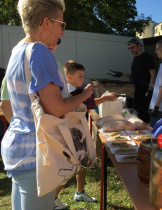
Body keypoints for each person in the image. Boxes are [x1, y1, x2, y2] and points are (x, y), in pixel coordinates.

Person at [0, 1, 94, 210]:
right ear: (46, 23)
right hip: (38, 153)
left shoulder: (17, 50)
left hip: (18, 147)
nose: (63, 31)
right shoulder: (39, 51)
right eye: (61, 24)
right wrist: (85, 94)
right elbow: (57, 108)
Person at [52, 60, 119, 209]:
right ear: (68, 76)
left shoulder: (74, 90)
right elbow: (88, 104)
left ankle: (79, 192)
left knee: (82, 163)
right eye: (79, 76)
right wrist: (106, 98)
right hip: (70, 135)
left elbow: (88, 104)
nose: (82, 79)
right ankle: (52, 199)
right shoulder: (68, 91)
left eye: (83, 76)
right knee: (69, 169)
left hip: (76, 134)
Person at [108, 38, 156, 123]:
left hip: (143, 92)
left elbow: (153, 73)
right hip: (132, 92)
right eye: (129, 48)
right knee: (132, 114)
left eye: (133, 47)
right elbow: (135, 74)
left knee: (142, 115)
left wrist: (150, 89)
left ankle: (144, 134)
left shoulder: (147, 57)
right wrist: (122, 74)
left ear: (139, 46)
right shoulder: (135, 59)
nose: (131, 50)